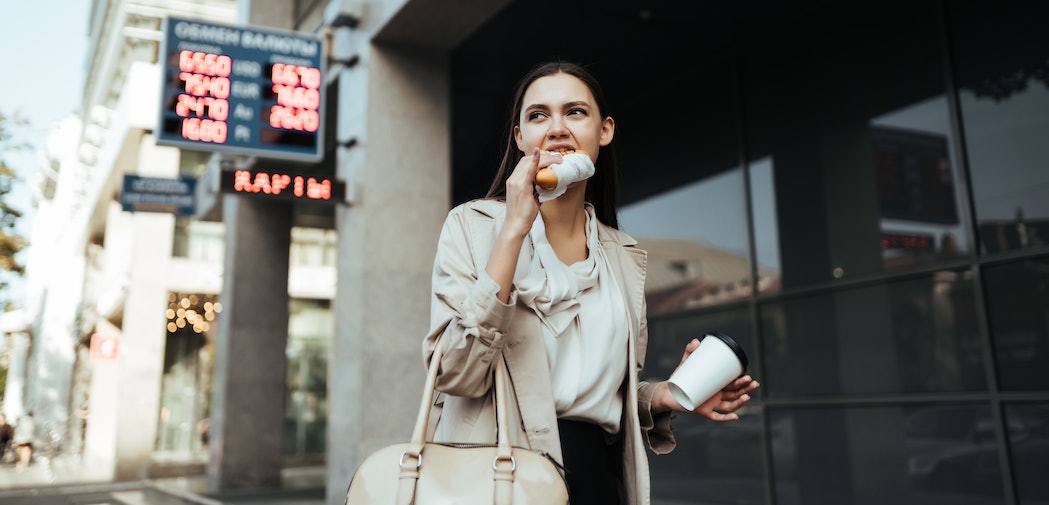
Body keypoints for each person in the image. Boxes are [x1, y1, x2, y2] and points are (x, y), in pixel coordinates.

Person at [424, 61, 760, 505]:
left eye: (575, 112)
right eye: (539, 115)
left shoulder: (621, 255)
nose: (557, 127)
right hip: (496, 479)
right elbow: (455, 372)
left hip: (599, 482)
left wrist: (665, 395)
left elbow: (597, 395)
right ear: (519, 138)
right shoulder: (473, 226)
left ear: (605, 130)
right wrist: (512, 232)